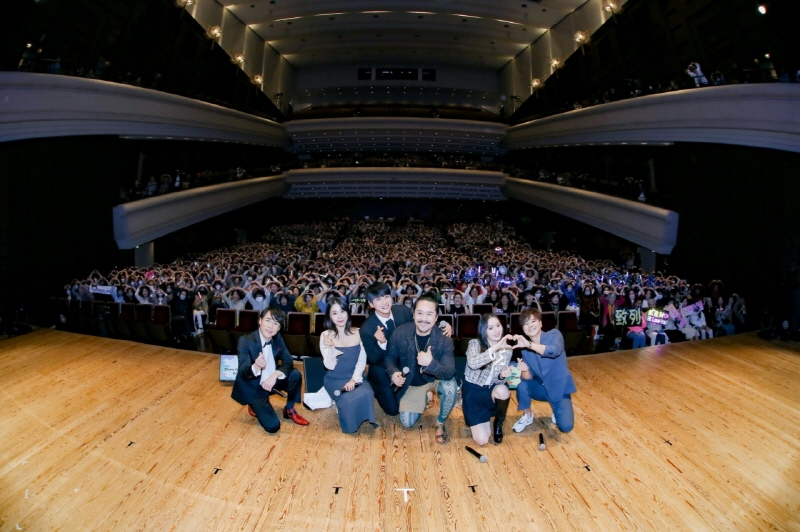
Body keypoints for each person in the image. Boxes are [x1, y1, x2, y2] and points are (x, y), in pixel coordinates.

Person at [385, 293, 457, 444]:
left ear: (436, 317)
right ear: (414, 314)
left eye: (429, 314)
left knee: (451, 387)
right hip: (412, 383)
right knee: (407, 422)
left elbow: (450, 372)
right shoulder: (400, 333)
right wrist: (393, 372)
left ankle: (440, 423)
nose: (424, 318)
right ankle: (425, 398)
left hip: (435, 379)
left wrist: (430, 363)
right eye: (420, 313)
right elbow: (390, 358)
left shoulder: (444, 338)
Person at [230, 308, 309, 433]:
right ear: (260, 321)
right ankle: (253, 404)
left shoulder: (277, 338)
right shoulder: (245, 341)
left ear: (279, 328)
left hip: (271, 381)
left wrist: (275, 375)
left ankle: (289, 410)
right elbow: (244, 373)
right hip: (254, 387)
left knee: (295, 374)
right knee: (273, 427)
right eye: (268, 320)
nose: (271, 326)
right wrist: (256, 366)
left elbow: (288, 360)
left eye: (276, 323)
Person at [512, 308, 577, 434]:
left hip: (559, 388)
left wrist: (530, 345)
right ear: (523, 329)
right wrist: (524, 370)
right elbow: (528, 377)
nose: (530, 326)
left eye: (533, 321)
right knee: (522, 386)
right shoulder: (525, 350)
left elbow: (554, 351)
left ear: (540, 323)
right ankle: (527, 416)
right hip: (541, 388)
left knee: (566, 427)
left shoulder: (554, 334)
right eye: (526, 324)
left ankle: (556, 408)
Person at [320, 298, 378, 434]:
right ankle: (340, 405)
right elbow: (329, 365)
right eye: (334, 313)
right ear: (329, 316)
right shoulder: (326, 335)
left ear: (348, 312)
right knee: (349, 399)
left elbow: (362, 361)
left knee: (367, 393)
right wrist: (331, 348)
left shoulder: (359, 332)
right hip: (334, 378)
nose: (339, 316)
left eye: (342, 311)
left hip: (354, 376)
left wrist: (354, 379)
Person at [360, 282, 413, 416]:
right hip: (381, 368)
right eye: (378, 299)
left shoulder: (403, 312)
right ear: (371, 304)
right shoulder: (367, 328)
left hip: (404, 363)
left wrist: (443, 326)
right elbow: (374, 359)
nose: (384, 302)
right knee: (393, 411)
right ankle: (373, 384)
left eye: (386, 297)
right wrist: (382, 343)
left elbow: (419, 330)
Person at [463, 314, 514, 445]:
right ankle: (481, 419)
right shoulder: (474, 344)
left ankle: (498, 422)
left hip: (491, 390)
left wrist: (502, 376)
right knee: (482, 440)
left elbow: (498, 380)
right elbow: (473, 364)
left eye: (498, 326)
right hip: (473, 392)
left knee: (503, 390)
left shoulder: (507, 349)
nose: (497, 330)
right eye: (491, 328)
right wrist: (495, 347)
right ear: (483, 330)